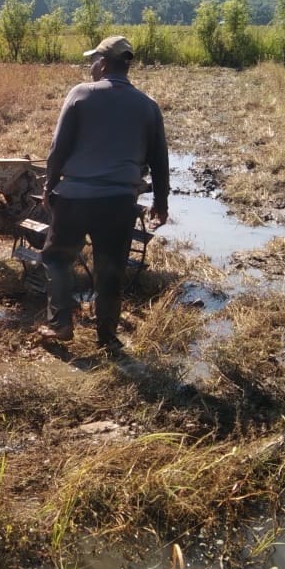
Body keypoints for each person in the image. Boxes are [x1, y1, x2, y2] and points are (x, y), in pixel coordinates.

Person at [39, 35, 169, 353]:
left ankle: (61, 324)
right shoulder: (148, 106)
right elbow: (159, 159)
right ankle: (107, 338)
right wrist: (160, 202)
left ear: (103, 63)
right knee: (110, 269)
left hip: (74, 199)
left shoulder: (81, 94)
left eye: (93, 61)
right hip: (118, 203)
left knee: (57, 258)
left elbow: (58, 149)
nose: (91, 67)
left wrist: (48, 186)